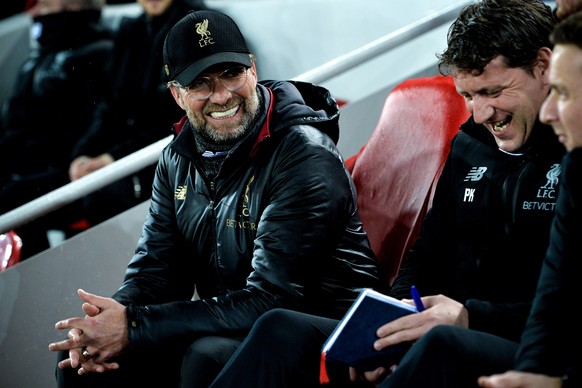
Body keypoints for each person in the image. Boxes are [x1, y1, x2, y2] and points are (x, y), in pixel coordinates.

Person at [205, 1, 567, 387]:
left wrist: (470, 316)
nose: (479, 113)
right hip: (445, 325)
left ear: (544, 66)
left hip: (525, 342)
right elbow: (428, 252)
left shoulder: (572, 152)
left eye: (492, 91)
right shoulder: (470, 144)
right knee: (280, 328)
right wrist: (393, 319)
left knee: (442, 344)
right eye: (469, 95)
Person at [48, 9, 380, 388]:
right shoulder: (176, 158)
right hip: (238, 324)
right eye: (201, 83)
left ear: (252, 69)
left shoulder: (304, 155)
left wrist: (135, 326)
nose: (222, 95)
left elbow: (273, 298)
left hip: (323, 329)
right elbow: (156, 272)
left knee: (206, 355)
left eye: (231, 74)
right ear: (177, 94)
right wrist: (107, 321)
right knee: (78, 361)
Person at [477, 11, 582, 388]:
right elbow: (554, 297)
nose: (550, 112)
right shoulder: (577, 170)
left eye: (565, 94)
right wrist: (529, 376)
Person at [67, 0, 208, 228]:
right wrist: (84, 152)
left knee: (104, 195)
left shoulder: (199, 26)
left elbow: (183, 117)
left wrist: (111, 158)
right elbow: (109, 103)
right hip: (128, 155)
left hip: (175, 154)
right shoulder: (131, 30)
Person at [0, 0, 113, 259]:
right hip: (28, 168)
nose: (36, 12)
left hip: (70, 170)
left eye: (45, 5)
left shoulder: (99, 53)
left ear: (73, 6)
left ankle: (26, 277)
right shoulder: (37, 60)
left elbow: (91, 129)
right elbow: (15, 126)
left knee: (11, 195)